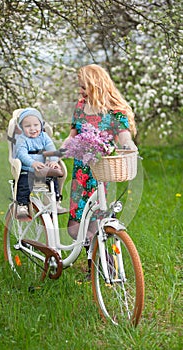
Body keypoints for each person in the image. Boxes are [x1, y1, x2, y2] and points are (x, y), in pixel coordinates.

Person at [62, 64, 138, 273]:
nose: (81, 91)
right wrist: (57, 153)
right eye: (80, 87)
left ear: (96, 85)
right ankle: (96, 260)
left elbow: (124, 137)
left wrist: (130, 149)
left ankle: (102, 267)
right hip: (80, 174)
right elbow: (72, 136)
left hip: (101, 172)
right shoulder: (80, 107)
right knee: (75, 227)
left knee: (96, 223)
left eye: (84, 87)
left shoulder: (113, 112)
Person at [15, 107, 65, 219]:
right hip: (28, 169)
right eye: (28, 126)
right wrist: (32, 163)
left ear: (41, 125)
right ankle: (22, 205)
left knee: (53, 180)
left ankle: (56, 202)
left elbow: (51, 149)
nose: (32, 129)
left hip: (42, 170)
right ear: (22, 128)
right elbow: (21, 154)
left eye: (36, 125)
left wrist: (53, 162)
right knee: (24, 184)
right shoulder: (22, 139)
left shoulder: (44, 136)